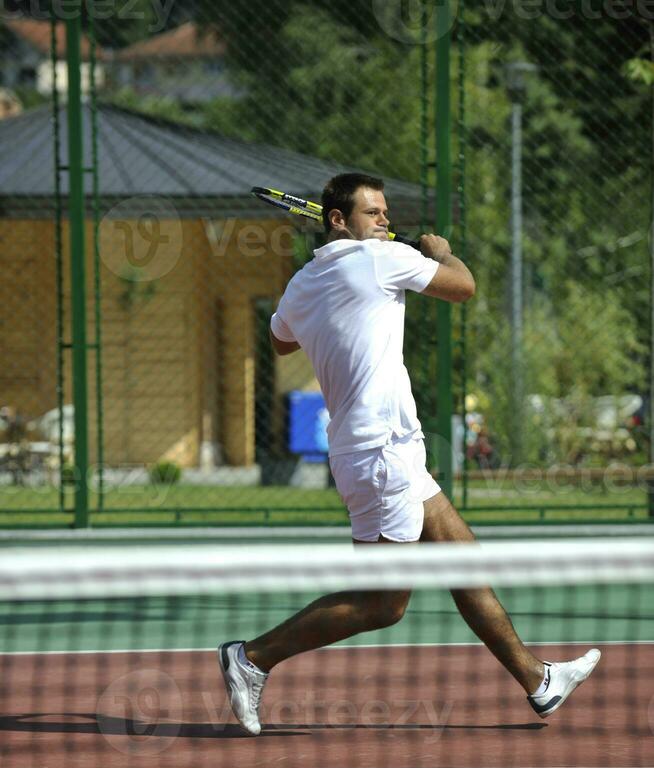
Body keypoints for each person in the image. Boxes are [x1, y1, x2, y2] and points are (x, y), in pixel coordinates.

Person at [219, 173, 600, 735]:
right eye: (371, 212)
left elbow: (281, 338)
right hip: (379, 456)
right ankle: (251, 658)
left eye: (384, 211)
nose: (383, 219)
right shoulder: (383, 259)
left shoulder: (304, 281)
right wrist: (442, 252)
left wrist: (337, 310)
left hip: (389, 450)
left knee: (462, 560)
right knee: (383, 605)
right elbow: (462, 287)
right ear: (338, 219)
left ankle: (538, 681)